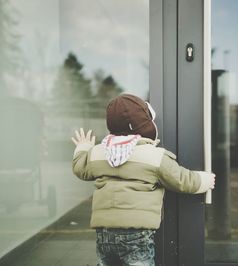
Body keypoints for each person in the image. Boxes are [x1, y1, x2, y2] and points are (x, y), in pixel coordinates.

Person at [71, 94, 215, 266]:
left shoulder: (97, 153)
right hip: (136, 234)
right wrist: (206, 180)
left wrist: (84, 147)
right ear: (145, 125)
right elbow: (182, 180)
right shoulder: (154, 157)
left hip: (105, 233)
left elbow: (80, 168)